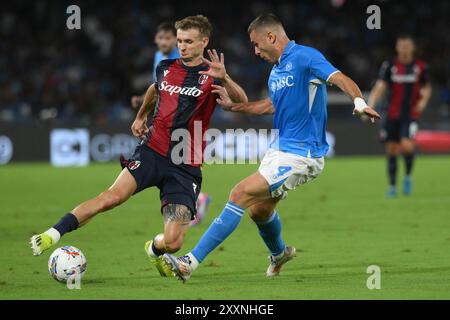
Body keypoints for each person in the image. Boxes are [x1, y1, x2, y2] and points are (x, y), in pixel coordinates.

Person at [161, 13, 381, 282]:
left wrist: (359, 102)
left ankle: (189, 262)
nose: (255, 51)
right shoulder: (277, 70)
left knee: (239, 193)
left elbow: (340, 78)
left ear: (272, 37)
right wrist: (235, 107)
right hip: (279, 150)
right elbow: (271, 105)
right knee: (259, 211)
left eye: (256, 44)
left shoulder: (305, 57)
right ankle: (280, 254)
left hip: (303, 154)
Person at [30, 15, 247, 277]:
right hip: (151, 151)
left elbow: (241, 102)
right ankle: (52, 234)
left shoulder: (212, 77)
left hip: (184, 165)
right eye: (179, 41)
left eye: (188, 41)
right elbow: (154, 90)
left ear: (204, 41)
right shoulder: (166, 67)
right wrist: (141, 115)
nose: (182, 46)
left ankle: (154, 249)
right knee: (111, 197)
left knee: (174, 242)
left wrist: (226, 78)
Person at [127, 21, 211, 224]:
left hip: (184, 131)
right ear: (156, 39)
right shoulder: (160, 58)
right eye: (161, 38)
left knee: (178, 169)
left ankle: (196, 201)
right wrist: (143, 103)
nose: (165, 42)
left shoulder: (181, 58)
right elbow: (159, 88)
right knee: (169, 170)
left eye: (169, 38)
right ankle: (196, 200)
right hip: (166, 129)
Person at [368, 35, 432, 197]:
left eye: (406, 46)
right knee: (392, 149)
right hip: (391, 114)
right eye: (401, 46)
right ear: (397, 48)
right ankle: (392, 187)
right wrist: (370, 105)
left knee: (407, 145)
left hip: (410, 114)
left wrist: (423, 101)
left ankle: (408, 176)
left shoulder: (420, 67)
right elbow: (380, 86)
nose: (404, 49)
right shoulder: (389, 66)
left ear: (412, 48)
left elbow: (426, 87)